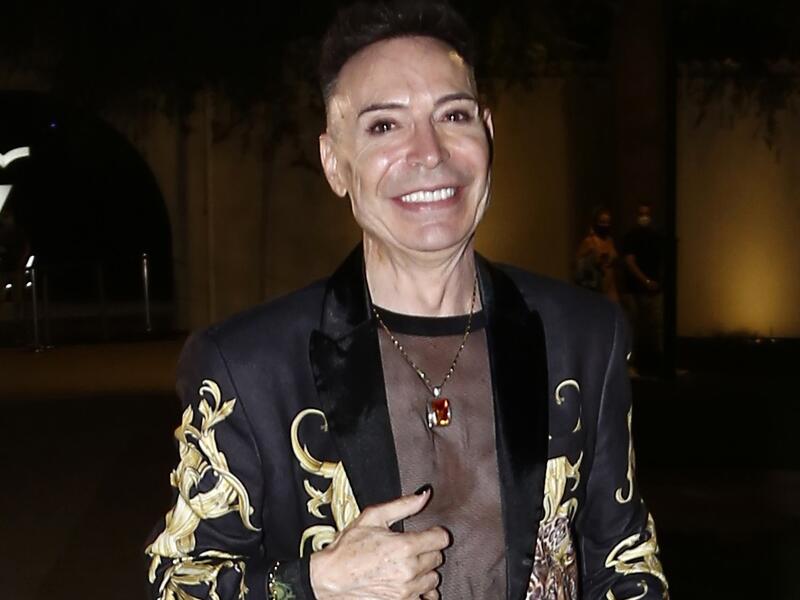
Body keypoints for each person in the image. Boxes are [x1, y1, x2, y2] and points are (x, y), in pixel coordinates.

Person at [145, 2, 668, 599]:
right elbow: (179, 583)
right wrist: (316, 584)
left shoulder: (586, 337)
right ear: (334, 163)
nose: (429, 152)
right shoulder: (247, 366)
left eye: (454, 115)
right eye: (384, 126)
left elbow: (626, 562)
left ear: (488, 134)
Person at [621, 203, 664, 376]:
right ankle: (631, 365)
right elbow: (629, 262)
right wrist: (645, 280)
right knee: (634, 328)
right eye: (641, 213)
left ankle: (656, 364)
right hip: (634, 290)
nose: (644, 217)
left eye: (647, 213)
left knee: (655, 327)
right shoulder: (631, 236)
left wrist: (655, 282)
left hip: (653, 289)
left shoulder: (656, 236)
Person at [575, 207, 620, 303]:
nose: (605, 225)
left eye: (608, 222)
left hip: (611, 290)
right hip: (596, 290)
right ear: (596, 223)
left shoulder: (610, 240)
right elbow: (577, 264)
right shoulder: (589, 241)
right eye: (602, 222)